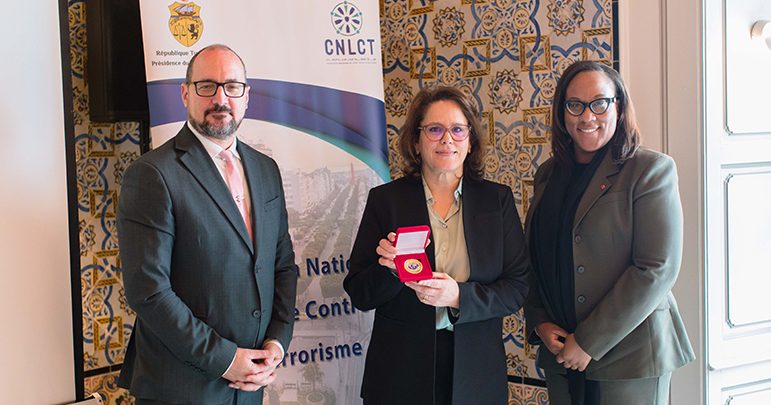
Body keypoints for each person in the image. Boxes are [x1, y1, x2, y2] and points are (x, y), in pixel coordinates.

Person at [117, 44, 298, 404]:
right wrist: (226, 360)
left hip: (251, 385)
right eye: (206, 86)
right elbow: (149, 291)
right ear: (185, 94)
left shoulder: (266, 170)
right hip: (181, 390)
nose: (220, 98)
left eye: (232, 86)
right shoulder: (152, 174)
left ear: (246, 96)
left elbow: (281, 266)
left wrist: (277, 343)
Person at [343, 86, 530, 405]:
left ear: (470, 141)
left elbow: (517, 287)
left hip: (476, 372)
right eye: (434, 129)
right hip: (399, 373)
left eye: (457, 129)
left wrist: (459, 297)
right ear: (416, 142)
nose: (447, 139)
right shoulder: (386, 201)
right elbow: (360, 293)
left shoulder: (496, 201)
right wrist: (390, 271)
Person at [523, 60, 695, 404]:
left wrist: (588, 342)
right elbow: (533, 259)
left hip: (630, 357)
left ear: (619, 106)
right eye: (575, 105)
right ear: (562, 112)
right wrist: (539, 321)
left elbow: (656, 268)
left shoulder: (649, 170)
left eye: (599, 103)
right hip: (560, 356)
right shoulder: (547, 174)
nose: (587, 116)